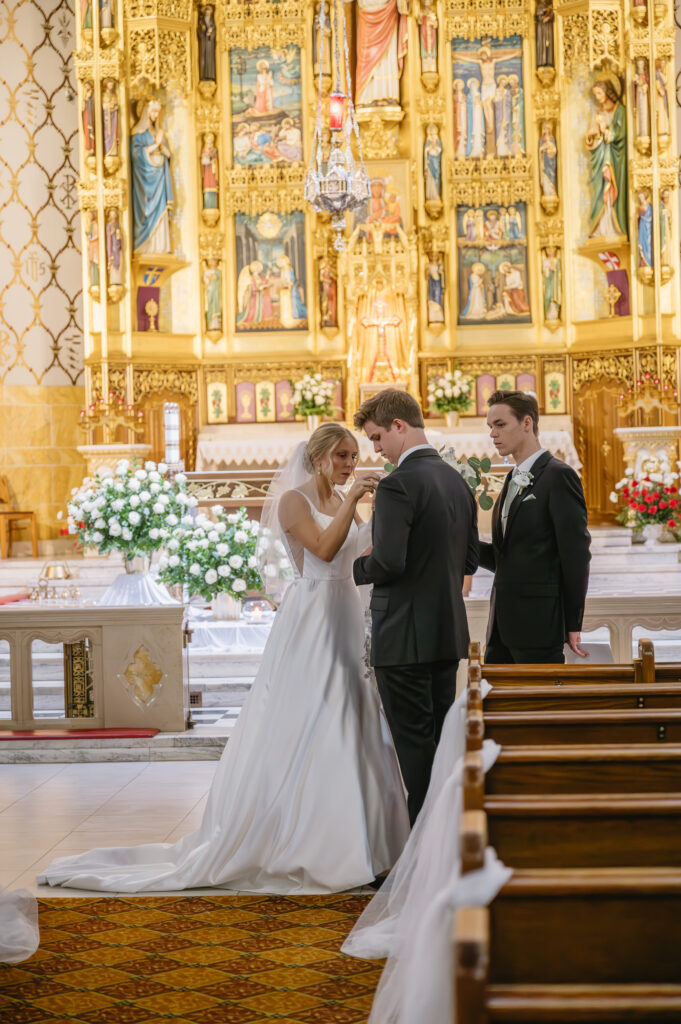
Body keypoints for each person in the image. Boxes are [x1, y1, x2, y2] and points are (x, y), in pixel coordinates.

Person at [37, 424, 409, 893]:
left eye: (354, 456)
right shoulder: (297, 500)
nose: (350, 465)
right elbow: (325, 549)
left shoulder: (343, 502)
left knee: (353, 717)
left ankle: (368, 843)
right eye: (341, 456)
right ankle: (306, 843)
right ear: (317, 458)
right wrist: (356, 497)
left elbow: (360, 555)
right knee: (317, 712)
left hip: (345, 615)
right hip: (313, 615)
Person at [354, 389, 479, 824]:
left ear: (399, 427)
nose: (376, 448)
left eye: (376, 437)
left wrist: (355, 567)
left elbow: (388, 562)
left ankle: (421, 863)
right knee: (439, 749)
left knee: (415, 756)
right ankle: (447, 847)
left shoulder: (397, 484)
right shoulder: (456, 481)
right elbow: (469, 560)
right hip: (446, 636)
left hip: (402, 640)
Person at [480, 390, 591, 664]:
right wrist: (459, 541)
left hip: (540, 625)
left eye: (500, 424)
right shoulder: (510, 480)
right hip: (501, 627)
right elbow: (506, 556)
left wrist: (573, 622)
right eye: (490, 427)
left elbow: (575, 555)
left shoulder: (558, 476)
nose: (493, 434)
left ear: (527, 423)